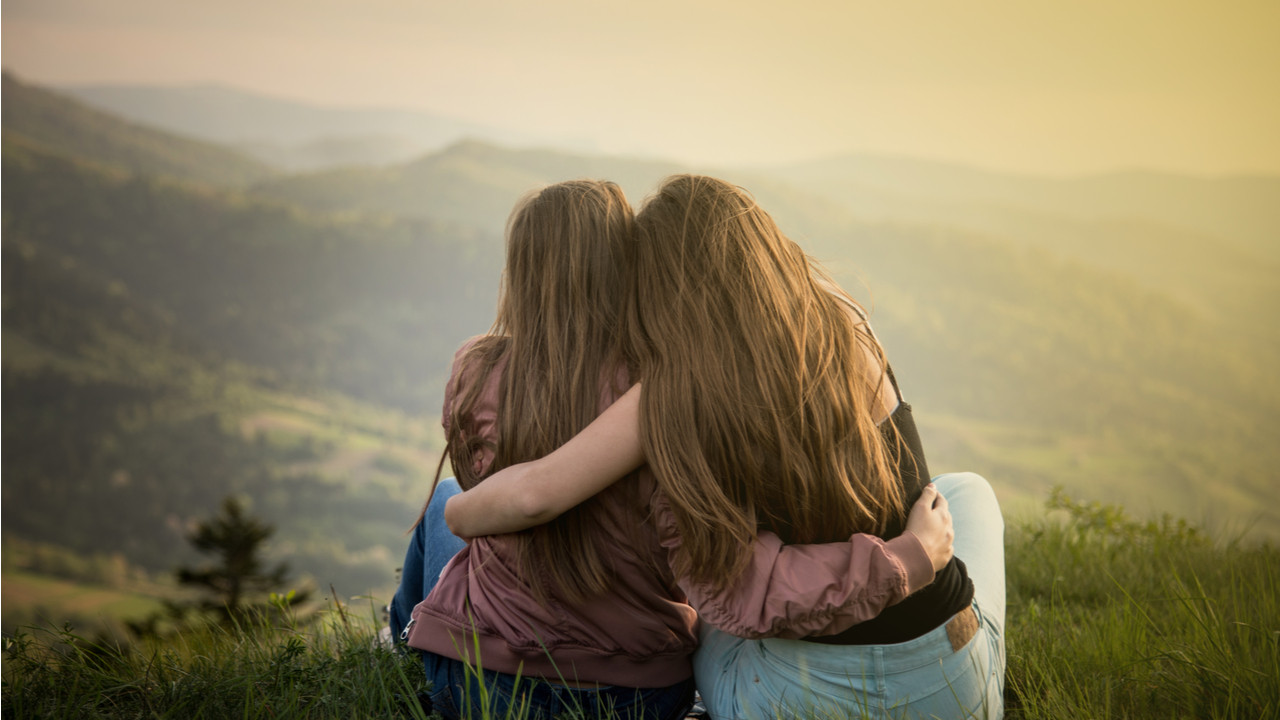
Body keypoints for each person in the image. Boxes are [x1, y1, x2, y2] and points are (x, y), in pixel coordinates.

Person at [446, 175, 1007, 719]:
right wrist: (917, 552)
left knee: (708, 609)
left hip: (795, 699)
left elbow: (739, 596)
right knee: (967, 491)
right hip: (958, 690)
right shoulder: (847, 324)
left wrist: (456, 508)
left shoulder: (677, 399)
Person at [387, 180, 700, 720]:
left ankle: (399, 640)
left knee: (444, 499)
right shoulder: (660, 382)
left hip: (485, 686)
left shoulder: (478, 366)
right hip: (641, 695)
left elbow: (478, 489)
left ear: (522, 273)